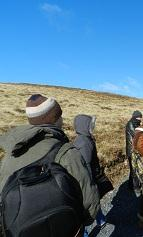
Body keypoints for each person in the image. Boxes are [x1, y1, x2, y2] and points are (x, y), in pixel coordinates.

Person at [0, 94, 100, 236]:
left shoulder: (10, 154)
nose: (63, 119)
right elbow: (90, 203)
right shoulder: (66, 152)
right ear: (54, 119)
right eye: (60, 116)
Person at [73, 114, 109, 236]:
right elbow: (86, 165)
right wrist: (90, 183)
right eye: (90, 124)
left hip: (89, 177)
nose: (92, 127)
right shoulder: (84, 142)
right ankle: (85, 232)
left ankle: (100, 219)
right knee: (89, 201)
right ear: (84, 126)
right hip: (88, 179)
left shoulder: (83, 139)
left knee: (94, 199)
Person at [125, 110, 142, 194]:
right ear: (135, 117)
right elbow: (135, 135)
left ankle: (130, 185)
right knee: (134, 169)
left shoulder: (136, 123)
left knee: (133, 168)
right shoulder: (130, 124)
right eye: (139, 117)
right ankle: (136, 187)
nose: (140, 119)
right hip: (131, 150)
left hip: (135, 149)